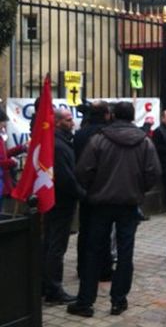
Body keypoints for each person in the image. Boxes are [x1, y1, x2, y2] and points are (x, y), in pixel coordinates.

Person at [68, 102, 161, 317]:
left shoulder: (98, 140)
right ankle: (119, 301)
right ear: (131, 117)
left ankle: (85, 301)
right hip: (129, 204)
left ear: (112, 115)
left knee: (94, 252)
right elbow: (153, 172)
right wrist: (139, 189)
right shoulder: (144, 142)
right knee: (125, 252)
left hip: (100, 203)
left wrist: (94, 188)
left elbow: (82, 171)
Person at [43, 109, 85, 304]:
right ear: (58, 122)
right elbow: (65, 177)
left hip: (59, 200)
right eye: (69, 120)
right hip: (60, 201)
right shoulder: (58, 145)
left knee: (52, 243)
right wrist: (82, 194)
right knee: (56, 246)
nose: (73, 123)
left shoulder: (62, 141)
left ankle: (46, 284)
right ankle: (53, 288)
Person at [73, 101, 113, 281]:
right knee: (103, 232)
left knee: (85, 230)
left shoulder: (80, 134)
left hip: (85, 188)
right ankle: (103, 269)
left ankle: (83, 268)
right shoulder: (108, 134)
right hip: (105, 188)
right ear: (106, 115)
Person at [0, 109, 26, 211]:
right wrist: (12, 162)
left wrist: (21, 148)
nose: (4, 126)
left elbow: (4, 155)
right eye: (2, 123)